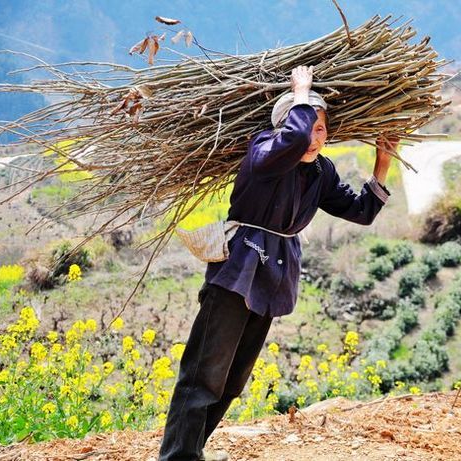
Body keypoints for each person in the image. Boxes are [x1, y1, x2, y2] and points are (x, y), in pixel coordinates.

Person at [158, 65, 398, 461]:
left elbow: (360, 210)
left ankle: (191, 451)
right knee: (204, 376)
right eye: (307, 127)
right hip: (237, 273)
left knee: (232, 381)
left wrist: (383, 163)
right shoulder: (263, 152)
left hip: (272, 277)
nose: (314, 138)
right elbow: (293, 138)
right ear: (283, 126)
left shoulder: (321, 171)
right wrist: (301, 91)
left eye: (322, 130)